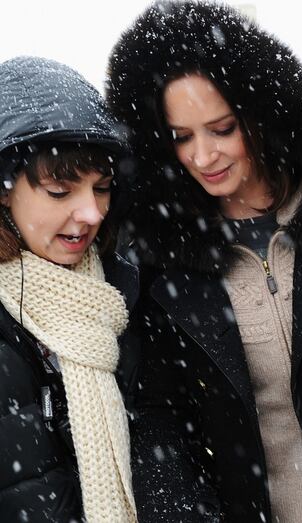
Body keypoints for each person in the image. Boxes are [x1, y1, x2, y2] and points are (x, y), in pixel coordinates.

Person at [107, 2, 302, 522]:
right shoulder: (160, 258)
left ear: (263, 115)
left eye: (222, 128)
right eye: (182, 137)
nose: (203, 156)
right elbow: (157, 417)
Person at [0, 56, 139, 522]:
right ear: (4, 189)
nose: (92, 214)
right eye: (61, 192)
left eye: (101, 188)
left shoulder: (126, 289)